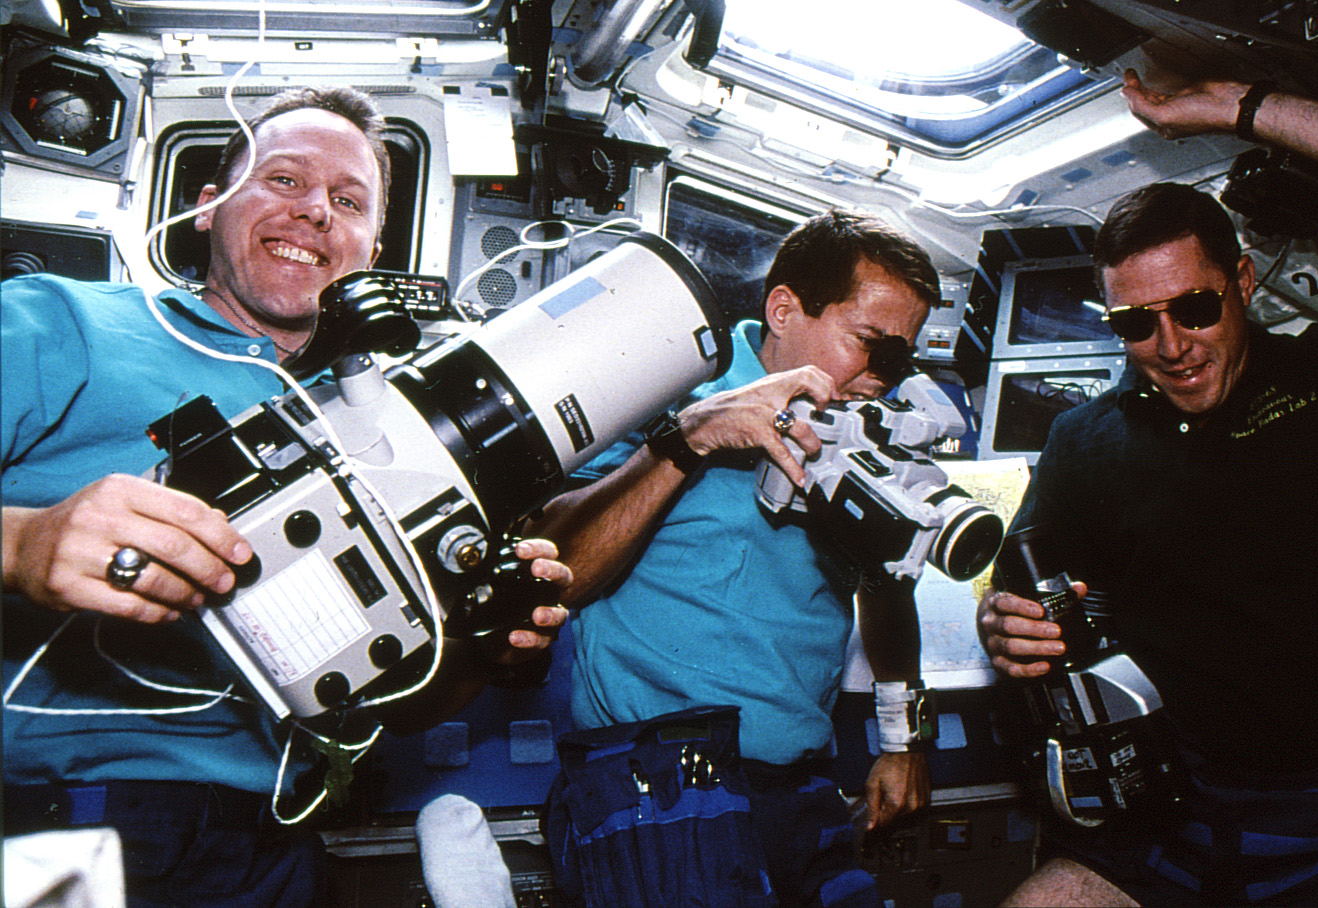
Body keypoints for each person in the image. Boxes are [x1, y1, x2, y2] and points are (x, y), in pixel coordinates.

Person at [2, 86, 569, 908]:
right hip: (64, 817)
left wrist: (489, 645)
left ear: (371, 249)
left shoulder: (400, 441)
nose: (314, 215)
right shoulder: (61, 324)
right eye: (285, 181)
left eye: (347, 202)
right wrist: (20, 544)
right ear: (206, 208)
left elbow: (398, 707)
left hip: (273, 842)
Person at [978, 69, 1318, 906]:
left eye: (1193, 306)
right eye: (1134, 322)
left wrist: (1233, 108)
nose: (1172, 344)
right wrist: (1004, 624)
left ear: (1244, 283)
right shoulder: (1086, 439)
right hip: (1166, 810)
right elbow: (1022, 584)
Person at [526, 207, 942, 907]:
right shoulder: (664, 394)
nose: (882, 376)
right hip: (654, 778)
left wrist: (903, 739)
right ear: (784, 309)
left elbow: (890, 583)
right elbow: (560, 569)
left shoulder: (862, 431)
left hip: (800, 780)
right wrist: (691, 442)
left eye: (901, 357)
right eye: (869, 343)